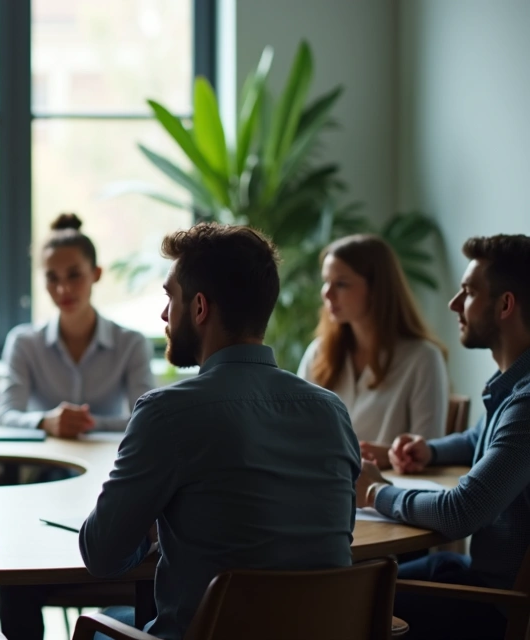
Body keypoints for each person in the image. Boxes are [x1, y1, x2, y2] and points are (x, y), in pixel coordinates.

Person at [78, 223, 359, 640]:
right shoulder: (332, 412)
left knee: (105, 622)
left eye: (170, 297)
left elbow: (101, 554)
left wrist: (151, 522)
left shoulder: (166, 413)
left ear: (199, 308)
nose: (164, 314)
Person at [356, 234, 530, 640]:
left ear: (505, 305)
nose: (454, 303)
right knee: (357, 579)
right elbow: (477, 438)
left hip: (496, 607)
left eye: (468, 292)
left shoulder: (527, 403)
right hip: (475, 577)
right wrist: (428, 450)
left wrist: (374, 493)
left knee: (350, 598)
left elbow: (460, 513)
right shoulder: (513, 387)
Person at [0, 214, 155, 437]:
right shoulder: (24, 343)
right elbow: (4, 415)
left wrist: (88, 424)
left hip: (108, 457)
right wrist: (46, 422)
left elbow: (147, 419)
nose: (63, 289)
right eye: (52, 278)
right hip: (43, 458)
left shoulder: (130, 343)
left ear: (96, 274)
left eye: (74, 275)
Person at [299, 234, 449, 468]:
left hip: (388, 488)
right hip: (323, 484)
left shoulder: (423, 358)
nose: (327, 293)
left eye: (341, 284)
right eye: (326, 282)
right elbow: (295, 432)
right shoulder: (319, 353)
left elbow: (427, 451)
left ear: (376, 289)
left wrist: (390, 456)